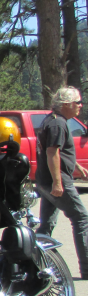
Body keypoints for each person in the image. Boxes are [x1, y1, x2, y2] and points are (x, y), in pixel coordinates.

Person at [36, 86, 88, 279]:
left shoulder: (53, 120)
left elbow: (60, 152)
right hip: (55, 182)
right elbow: (52, 152)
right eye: (78, 102)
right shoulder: (58, 124)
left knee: (46, 225)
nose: (80, 105)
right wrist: (58, 183)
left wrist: (77, 166)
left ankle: (34, 262)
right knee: (81, 218)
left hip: (45, 181)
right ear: (66, 104)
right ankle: (87, 268)